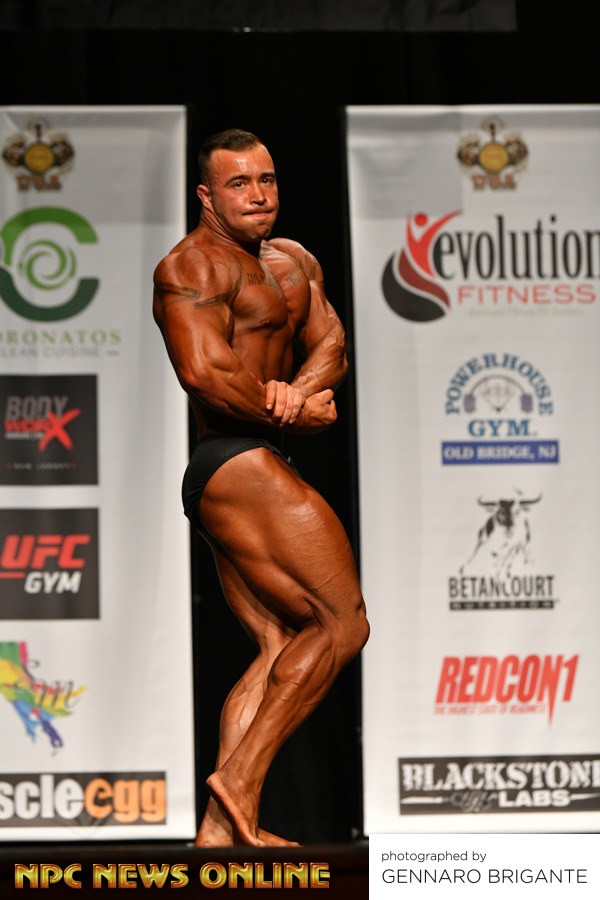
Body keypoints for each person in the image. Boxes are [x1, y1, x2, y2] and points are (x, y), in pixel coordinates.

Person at [153, 128, 369, 847]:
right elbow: (205, 373)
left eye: (266, 179)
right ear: (206, 195)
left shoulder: (294, 261)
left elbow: (331, 342)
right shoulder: (192, 265)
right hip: (233, 458)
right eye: (239, 183)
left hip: (257, 456)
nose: (257, 194)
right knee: (342, 624)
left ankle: (218, 836)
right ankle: (240, 781)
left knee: (281, 642)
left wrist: (298, 394)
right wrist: (292, 411)